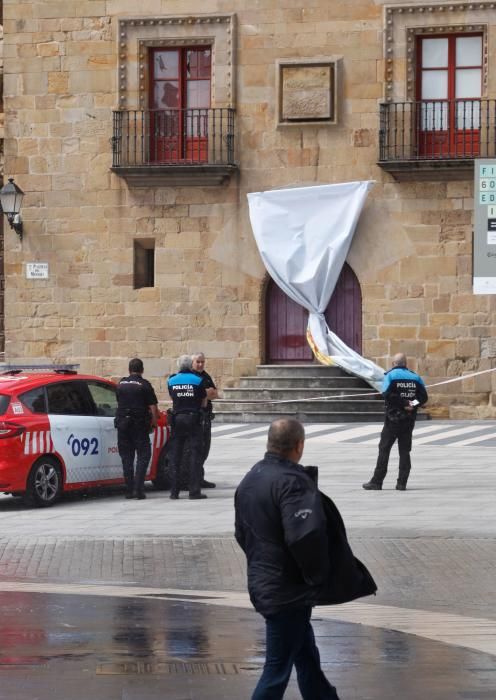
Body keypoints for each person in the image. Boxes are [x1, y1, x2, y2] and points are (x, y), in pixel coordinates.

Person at [234, 418, 340, 700]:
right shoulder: (292, 482)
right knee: (276, 671)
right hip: (287, 588)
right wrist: (316, 575)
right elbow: (305, 536)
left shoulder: (251, 477)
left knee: (306, 659)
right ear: (299, 446)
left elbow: (241, 533)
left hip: (265, 580)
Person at [363, 352, 428, 491]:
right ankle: (401, 483)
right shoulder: (416, 377)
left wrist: (403, 403)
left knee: (384, 449)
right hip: (408, 420)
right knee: (404, 451)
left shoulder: (390, 376)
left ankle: (377, 481)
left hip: (393, 420)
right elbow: (423, 397)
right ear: (406, 364)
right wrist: (412, 403)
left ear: (394, 364)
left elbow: (386, 394)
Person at [115, 358, 159, 500]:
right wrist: (153, 423)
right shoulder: (144, 385)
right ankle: (138, 490)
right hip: (138, 424)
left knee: (126, 457)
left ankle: (129, 490)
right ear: (142, 370)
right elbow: (153, 407)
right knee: (143, 455)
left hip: (123, 424)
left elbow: (118, 401)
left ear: (129, 370)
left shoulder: (121, 384)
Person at [167, 354, 208, 500]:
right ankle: (194, 491)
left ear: (179, 365)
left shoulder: (171, 380)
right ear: (191, 365)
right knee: (195, 455)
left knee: (176, 455)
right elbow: (204, 401)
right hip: (193, 419)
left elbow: (172, 398)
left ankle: (174, 491)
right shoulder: (198, 380)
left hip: (177, 419)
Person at [191, 351, 218, 489]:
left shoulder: (205, 376)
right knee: (196, 449)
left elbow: (215, 393)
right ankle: (193, 479)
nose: (201, 364)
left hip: (206, 418)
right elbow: (199, 395)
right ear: (192, 363)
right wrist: (205, 393)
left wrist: (205, 394)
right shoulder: (190, 376)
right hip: (195, 418)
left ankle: (199, 477)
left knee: (205, 449)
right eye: (198, 362)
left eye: (202, 362)